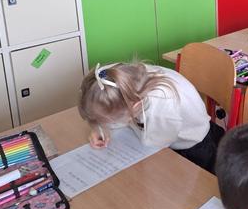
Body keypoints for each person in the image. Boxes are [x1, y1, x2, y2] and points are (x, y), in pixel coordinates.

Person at [78, 62, 223, 173]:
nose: (107, 124)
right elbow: (110, 105)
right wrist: (99, 128)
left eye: (109, 121)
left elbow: (155, 153)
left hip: (191, 145)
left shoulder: (161, 111)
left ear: (135, 107)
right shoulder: (114, 77)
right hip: (166, 130)